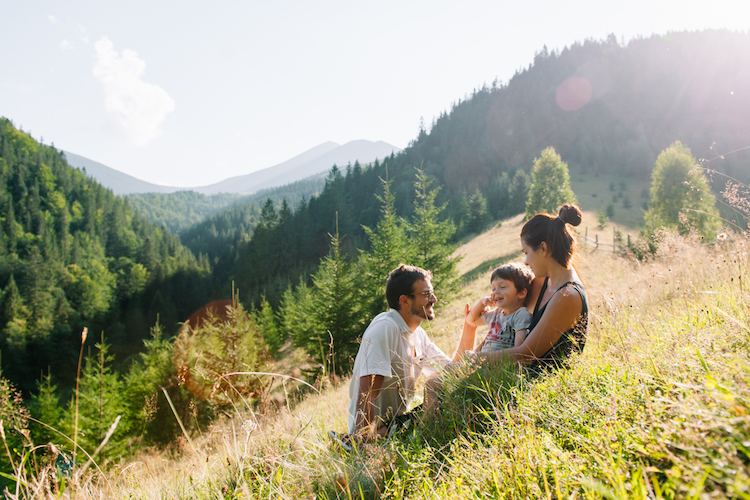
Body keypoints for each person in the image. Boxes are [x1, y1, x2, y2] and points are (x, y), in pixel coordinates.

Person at [454, 203, 588, 372]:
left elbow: (526, 355)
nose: (525, 261)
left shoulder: (568, 295)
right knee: (437, 382)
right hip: (515, 370)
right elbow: (507, 321)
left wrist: (475, 359)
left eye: (526, 252)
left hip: (538, 382)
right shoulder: (544, 281)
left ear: (544, 248)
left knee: (435, 385)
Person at [333, 264, 452, 448]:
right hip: (376, 431)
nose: (434, 299)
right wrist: (364, 441)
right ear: (404, 300)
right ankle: (354, 441)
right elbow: (367, 395)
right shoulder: (385, 328)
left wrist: (470, 325)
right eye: (426, 294)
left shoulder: (418, 334)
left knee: (446, 396)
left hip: (398, 425)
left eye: (432, 293)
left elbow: (452, 371)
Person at [464, 263, 534, 354]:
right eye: (493, 289)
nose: (496, 292)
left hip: (499, 363)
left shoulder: (521, 315)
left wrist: (483, 358)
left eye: (502, 287)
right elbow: (471, 321)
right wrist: (482, 303)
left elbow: (518, 350)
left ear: (521, 293)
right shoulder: (496, 314)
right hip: (483, 362)